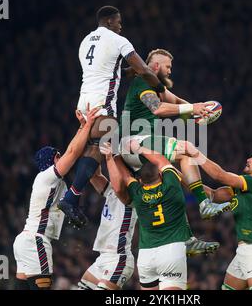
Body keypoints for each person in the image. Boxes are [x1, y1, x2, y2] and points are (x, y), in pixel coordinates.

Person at [58, 6, 168, 228]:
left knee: (94, 149)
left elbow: (109, 71)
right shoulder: (119, 40)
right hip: (102, 103)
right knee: (102, 147)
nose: (121, 25)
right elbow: (146, 70)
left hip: (84, 102)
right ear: (109, 21)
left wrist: (131, 72)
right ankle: (72, 197)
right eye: (118, 21)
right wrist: (160, 87)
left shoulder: (86, 41)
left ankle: (77, 196)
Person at [119, 48, 230, 220]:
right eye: (168, 67)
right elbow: (157, 108)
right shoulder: (143, 81)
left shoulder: (155, 85)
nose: (170, 71)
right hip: (133, 143)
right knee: (187, 147)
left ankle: (198, 214)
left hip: (142, 145)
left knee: (180, 166)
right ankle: (206, 200)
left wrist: (197, 113)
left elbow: (177, 101)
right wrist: (192, 108)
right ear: (156, 66)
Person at [100, 142, 219, 290]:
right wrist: (140, 148)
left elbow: (119, 185)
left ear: (140, 181)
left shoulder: (137, 192)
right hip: (172, 251)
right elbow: (161, 160)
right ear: (162, 175)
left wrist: (112, 158)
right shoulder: (171, 185)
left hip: (146, 256)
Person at [13, 106, 99, 290]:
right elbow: (73, 152)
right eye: (58, 155)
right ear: (53, 160)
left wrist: (83, 127)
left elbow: (72, 150)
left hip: (25, 240)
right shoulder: (47, 176)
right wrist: (89, 124)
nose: (62, 157)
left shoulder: (49, 181)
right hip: (36, 239)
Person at [178, 141, 252, 290]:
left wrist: (195, 153)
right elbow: (212, 194)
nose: (248, 159)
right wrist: (177, 175)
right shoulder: (242, 189)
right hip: (243, 251)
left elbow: (219, 175)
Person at [78, 159, 137, 290]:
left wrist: (110, 157)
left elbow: (118, 187)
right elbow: (94, 175)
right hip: (103, 257)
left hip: (119, 258)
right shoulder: (112, 191)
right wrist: (97, 150)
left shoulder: (133, 194)